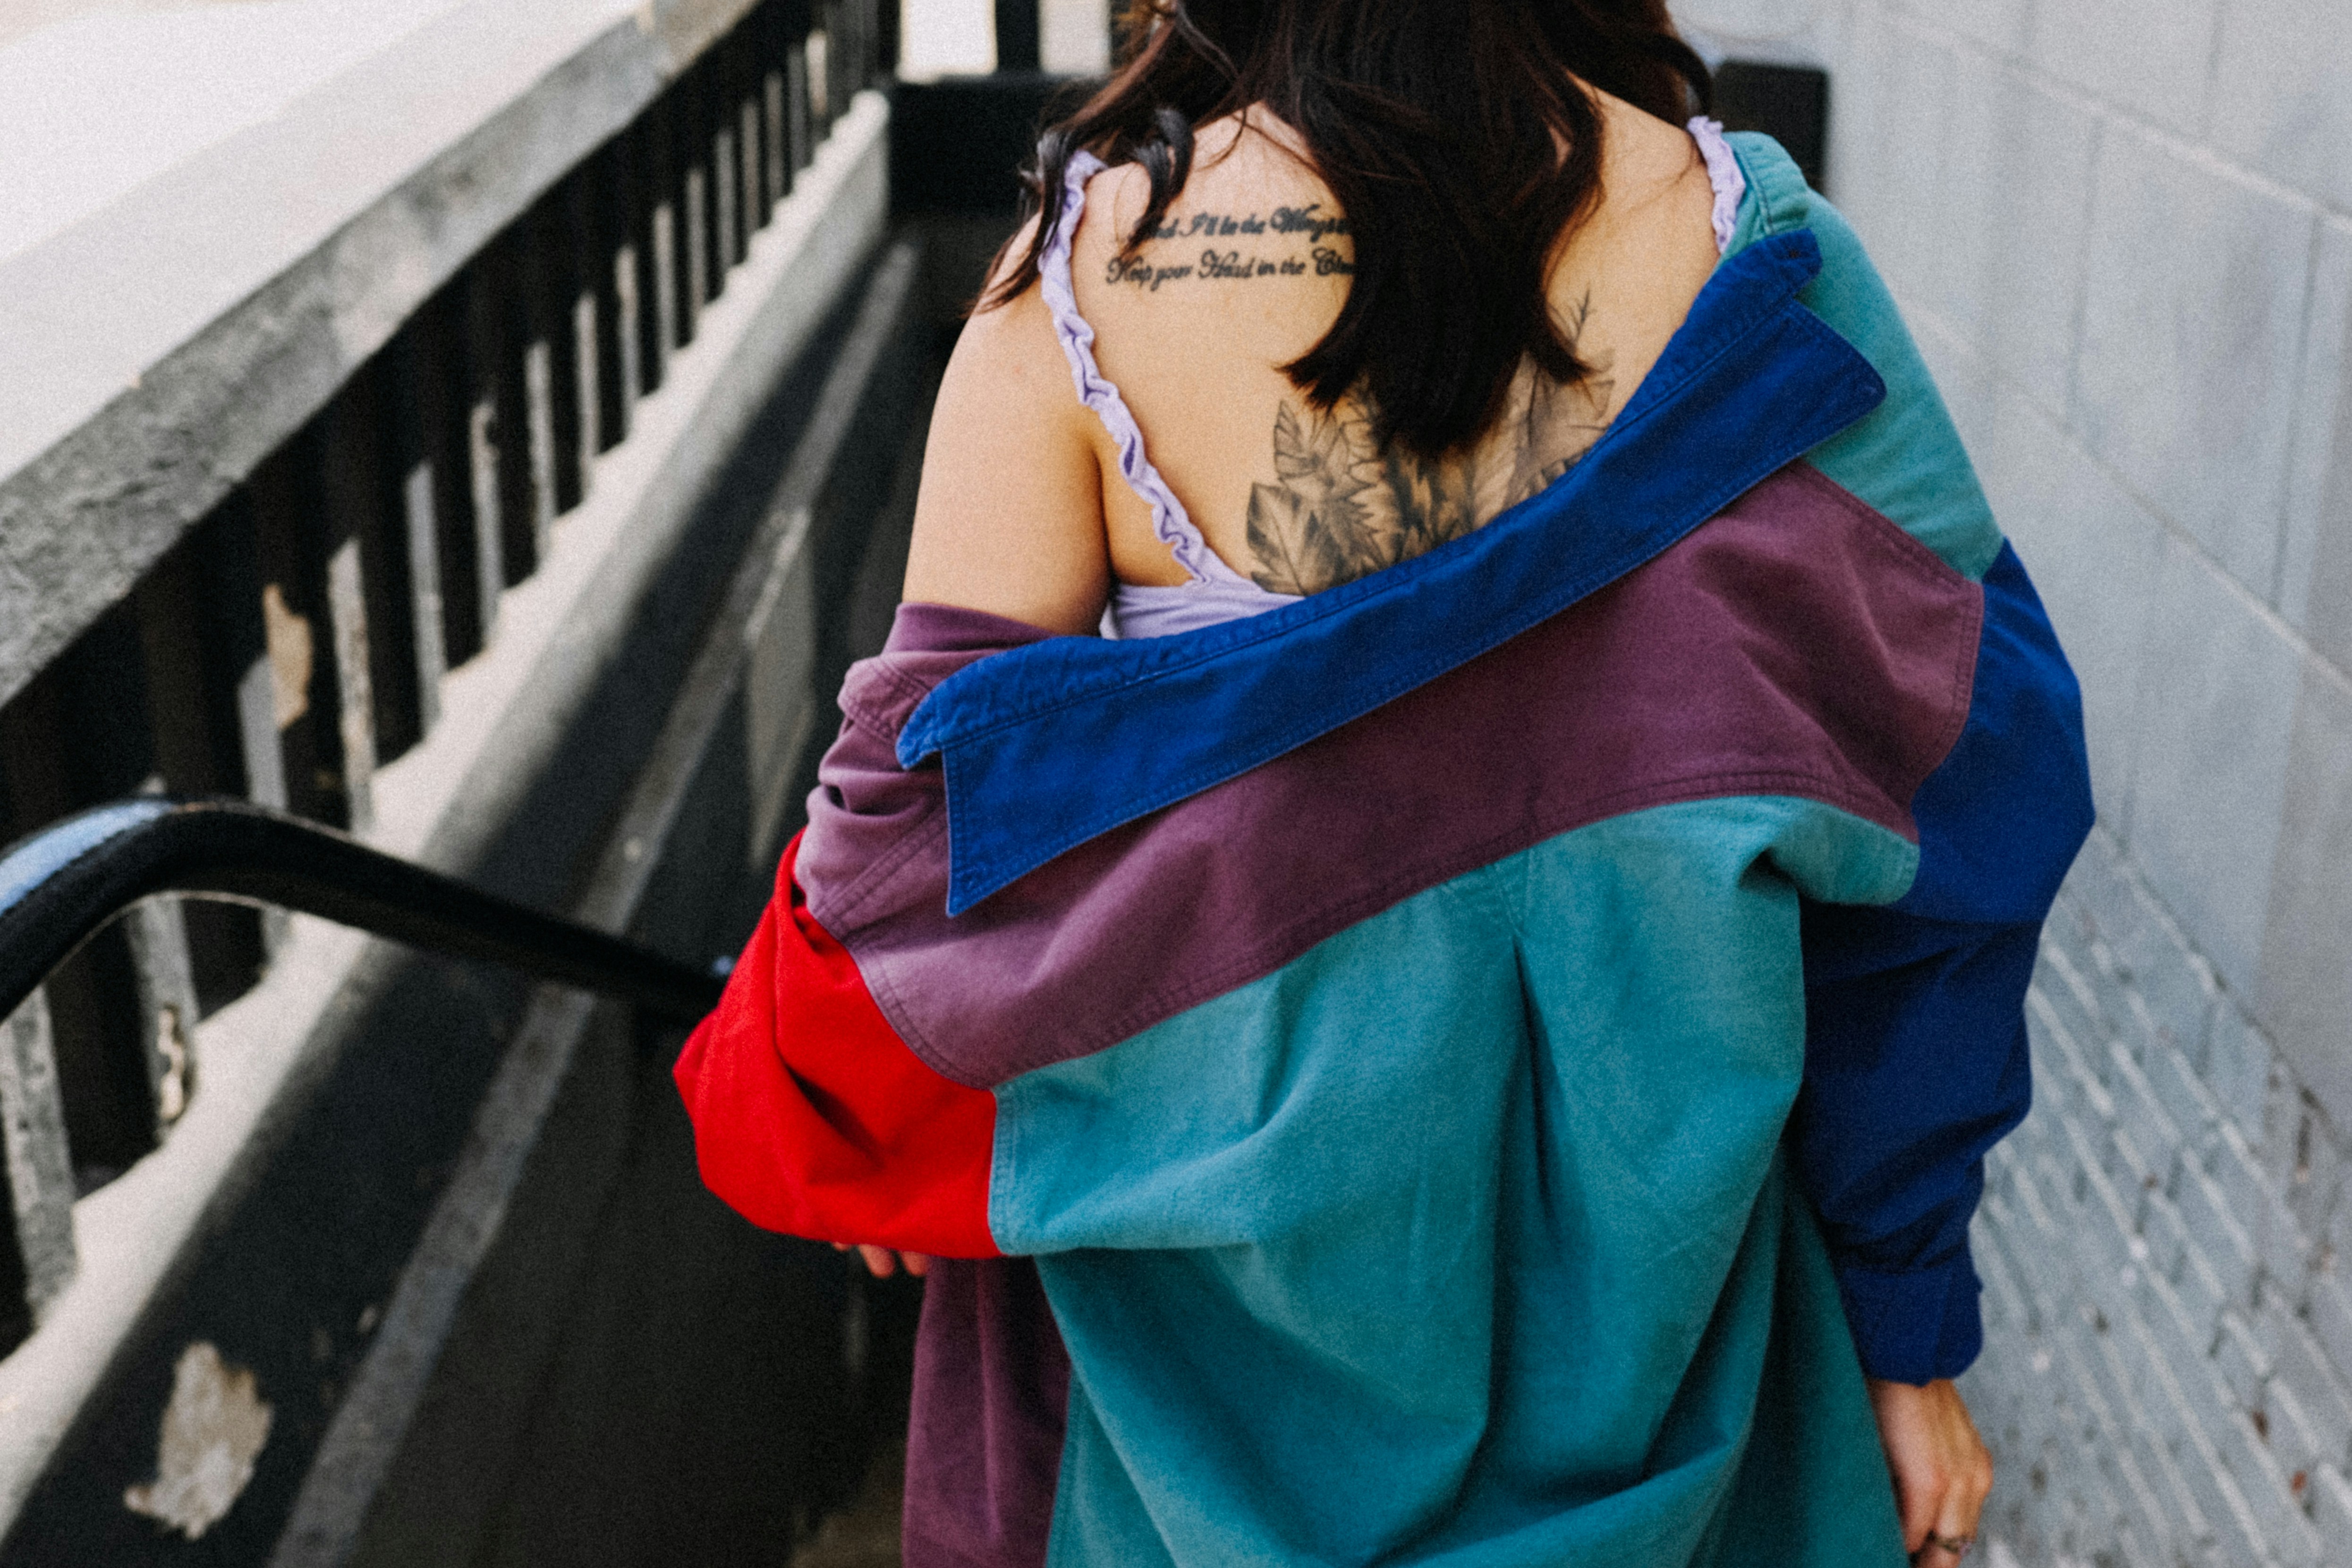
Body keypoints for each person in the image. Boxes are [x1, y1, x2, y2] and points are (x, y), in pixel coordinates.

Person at [674, 0, 2094, 1562]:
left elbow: (896, 907)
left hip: (1187, 1427)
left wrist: (867, 1131)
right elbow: (1968, 819)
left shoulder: (1080, 293)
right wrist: (1905, 1320)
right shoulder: (1763, 257)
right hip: (1675, 1371)